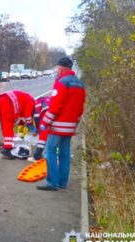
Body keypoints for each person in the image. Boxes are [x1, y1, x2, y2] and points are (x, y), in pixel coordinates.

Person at [37, 57, 86, 191]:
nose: (57, 71)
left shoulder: (61, 83)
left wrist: (45, 123)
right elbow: (81, 108)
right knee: (64, 153)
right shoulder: (80, 84)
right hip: (70, 126)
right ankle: (62, 182)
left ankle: (52, 182)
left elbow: (55, 106)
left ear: (62, 68)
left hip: (58, 125)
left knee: (50, 151)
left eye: (58, 68)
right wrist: (75, 122)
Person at [0, 90, 35, 159]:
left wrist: (23, 123)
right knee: (8, 126)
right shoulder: (31, 102)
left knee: (5, 126)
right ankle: (7, 149)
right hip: (6, 103)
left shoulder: (27, 98)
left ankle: (7, 144)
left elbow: (20, 117)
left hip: (1, 101)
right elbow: (27, 116)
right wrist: (31, 126)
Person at [27, 96, 51, 162]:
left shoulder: (37, 104)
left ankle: (36, 157)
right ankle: (50, 155)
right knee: (52, 137)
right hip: (55, 116)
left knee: (42, 139)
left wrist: (37, 130)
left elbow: (37, 119)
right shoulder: (47, 99)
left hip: (46, 117)